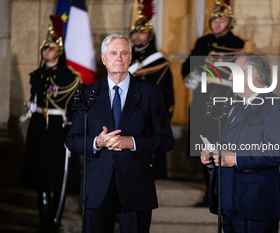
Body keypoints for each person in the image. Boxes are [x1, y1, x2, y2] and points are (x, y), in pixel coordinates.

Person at [66, 33, 175, 233]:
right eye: (113, 53)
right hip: (97, 188)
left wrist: (131, 142)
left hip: (136, 187)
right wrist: (97, 142)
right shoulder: (88, 93)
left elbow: (166, 140)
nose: (119, 58)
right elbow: (72, 141)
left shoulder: (150, 92)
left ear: (130, 58)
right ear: (103, 59)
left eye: (124, 53)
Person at [201, 52, 280, 233]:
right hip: (229, 203)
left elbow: (278, 153)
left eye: (235, 71)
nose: (230, 77)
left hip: (254, 206)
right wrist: (214, 157)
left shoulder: (274, 105)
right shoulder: (237, 106)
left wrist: (236, 159)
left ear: (252, 74)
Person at [181, 0, 251, 207]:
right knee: (206, 146)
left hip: (229, 102)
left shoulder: (240, 44)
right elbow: (189, 65)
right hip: (203, 101)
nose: (217, 24)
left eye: (221, 20)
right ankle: (210, 190)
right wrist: (190, 74)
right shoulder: (203, 43)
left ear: (230, 22)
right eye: (214, 20)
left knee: (227, 146)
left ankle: (226, 192)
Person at [19, 15, 82, 232]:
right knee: (40, 175)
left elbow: (74, 106)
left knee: (57, 176)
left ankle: (54, 221)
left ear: (59, 52)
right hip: (38, 127)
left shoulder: (69, 77)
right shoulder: (36, 75)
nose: (47, 51)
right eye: (45, 47)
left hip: (58, 129)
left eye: (51, 48)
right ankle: (44, 220)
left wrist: (73, 131)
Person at [129, 0, 174, 179]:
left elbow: (166, 91)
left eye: (142, 33)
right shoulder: (125, 56)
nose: (137, 36)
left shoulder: (158, 60)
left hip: (149, 110)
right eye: (134, 33)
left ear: (150, 36)